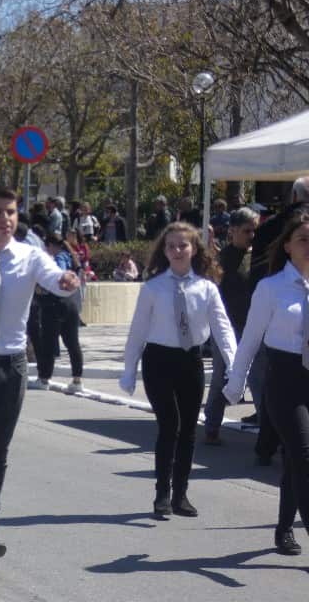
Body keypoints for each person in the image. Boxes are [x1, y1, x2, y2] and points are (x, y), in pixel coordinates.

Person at [0, 187, 80, 567]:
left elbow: (54, 276)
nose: (5, 219)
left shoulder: (29, 256)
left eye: (11, 212)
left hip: (12, 363)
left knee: (0, 450)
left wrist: (67, 279)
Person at [120, 222, 235, 518]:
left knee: (188, 430)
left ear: (194, 249)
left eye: (182, 245)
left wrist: (234, 365)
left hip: (190, 361)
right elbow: (138, 330)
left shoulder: (206, 288)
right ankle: (162, 493)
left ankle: (181, 494)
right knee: (169, 425)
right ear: (164, 251)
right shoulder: (153, 288)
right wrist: (129, 369)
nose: (177, 251)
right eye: (171, 246)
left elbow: (222, 328)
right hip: (158, 360)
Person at [224, 212, 309, 557]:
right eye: (303, 239)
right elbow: (250, 341)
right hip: (286, 380)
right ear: (287, 246)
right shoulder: (270, 288)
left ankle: (284, 527)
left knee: (294, 461)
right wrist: (234, 384)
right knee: (303, 455)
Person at [203, 207, 258, 445]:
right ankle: (212, 427)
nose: (252, 236)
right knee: (221, 378)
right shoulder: (220, 261)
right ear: (233, 231)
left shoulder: (259, 257)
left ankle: (269, 433)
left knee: (260, 378)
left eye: (255, 231)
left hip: (254, 327)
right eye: (247, 231)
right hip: (226, 329)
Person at [35, 233, 86, 393]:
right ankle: (77, 379)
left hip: (53, 303)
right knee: (72, 342)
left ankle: (44, 379)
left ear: (50, 245)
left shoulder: (54, 259)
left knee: (48, 342)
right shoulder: (69, 255)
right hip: (69, 303)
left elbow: (58, 277)